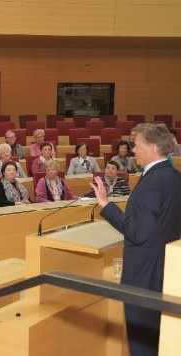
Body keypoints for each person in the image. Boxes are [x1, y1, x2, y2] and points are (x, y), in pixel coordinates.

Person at [88, 123, 181, 356]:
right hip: (163, 270)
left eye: (137, 145)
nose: (133, 150)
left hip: (143, 274)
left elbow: (139, 232)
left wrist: (106, 205)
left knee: (141, 344)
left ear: (151, 147)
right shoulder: (174, 177)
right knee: (156, 338)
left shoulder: (152, 182)